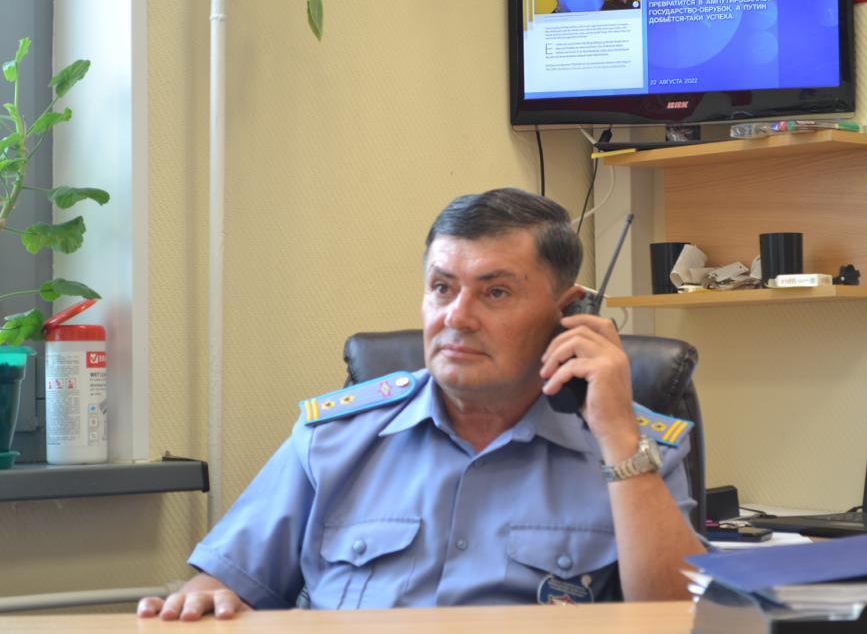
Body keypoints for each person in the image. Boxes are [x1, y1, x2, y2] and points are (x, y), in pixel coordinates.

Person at [137, 188, 704, 621]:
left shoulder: (632, 450)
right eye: (442, 287)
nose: (457, 316)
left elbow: (681, 618)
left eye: (495, 292)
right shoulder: (333, 440)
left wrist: (618, 439)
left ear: (569, 312)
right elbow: (224, 583)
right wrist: (204, 598)